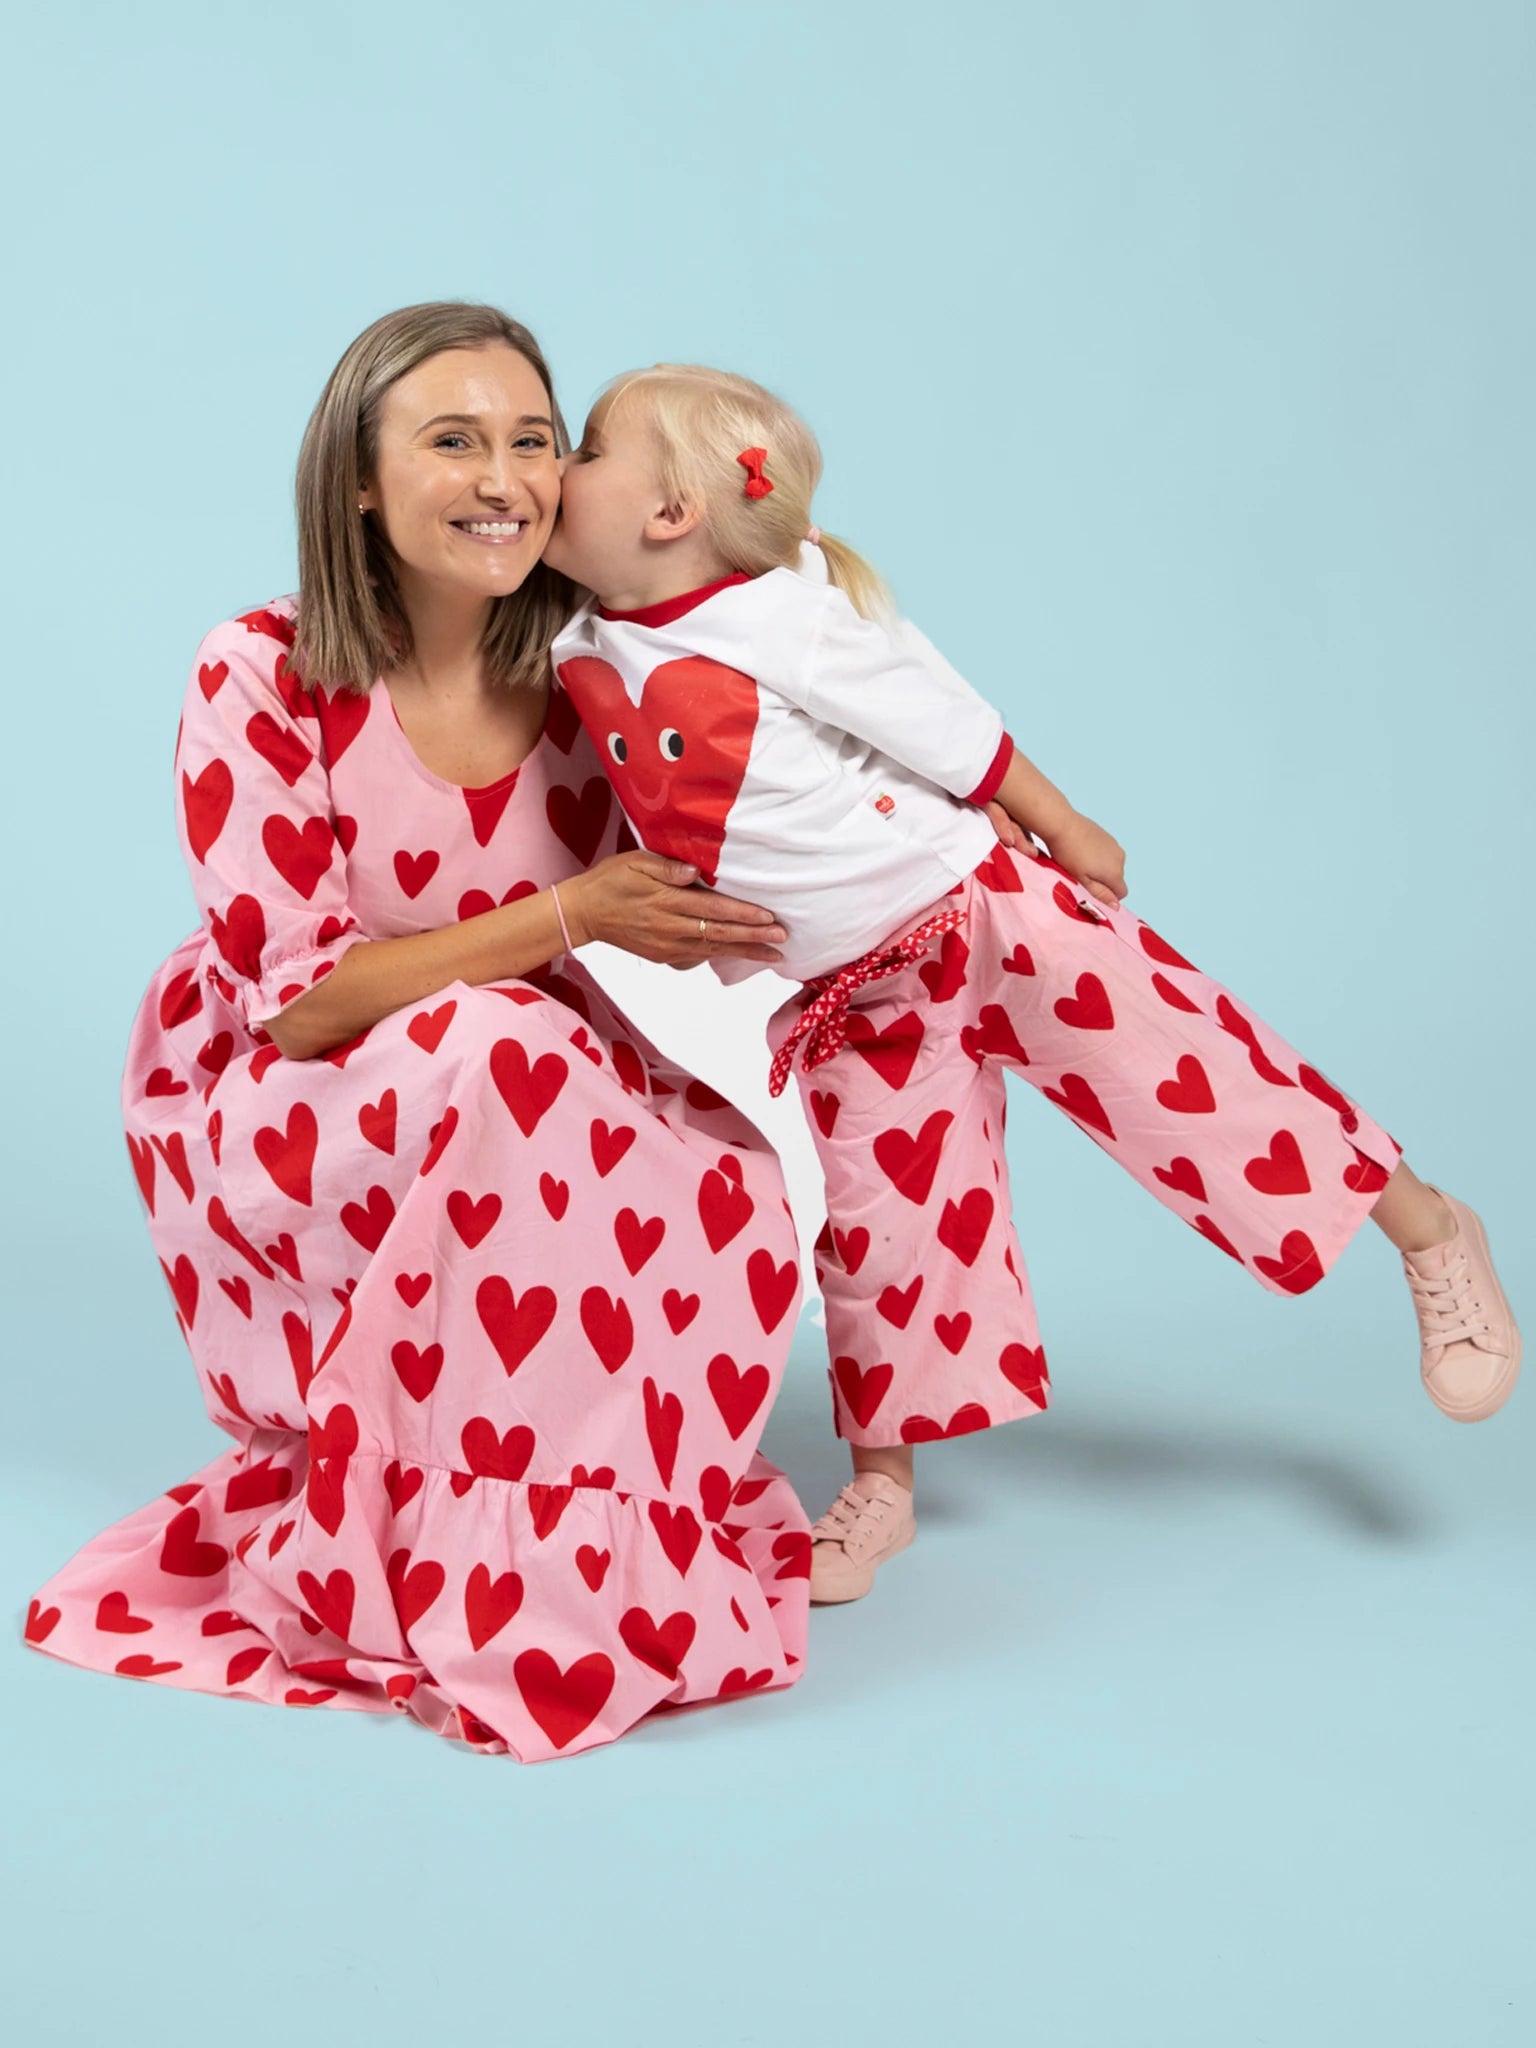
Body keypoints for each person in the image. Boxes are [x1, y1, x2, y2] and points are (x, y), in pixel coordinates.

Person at [542, 361, 1521, 1606]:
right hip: (855, 994)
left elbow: (948, 725)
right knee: (876, 1229)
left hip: (988, 911)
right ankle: (885, 1480)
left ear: (670, 510)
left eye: (580, 446)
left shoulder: (781, 616)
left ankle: (1432, 1230)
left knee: (1204, 1081)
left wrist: (1061, 818)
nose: (554, 473)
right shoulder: (577, 636)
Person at [22, 308, 814, 1760]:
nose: (503, 474)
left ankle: (590, 1555)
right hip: (295, 1091)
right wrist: (572, 916)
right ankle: (455, 1571)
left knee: (736, 1175)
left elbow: (796, 748)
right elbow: (304, 999)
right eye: (452, 439)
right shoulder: (259, 670)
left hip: (529, 1076)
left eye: (531, 440)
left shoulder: (595, 686)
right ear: (362, 486)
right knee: (506, 1052)